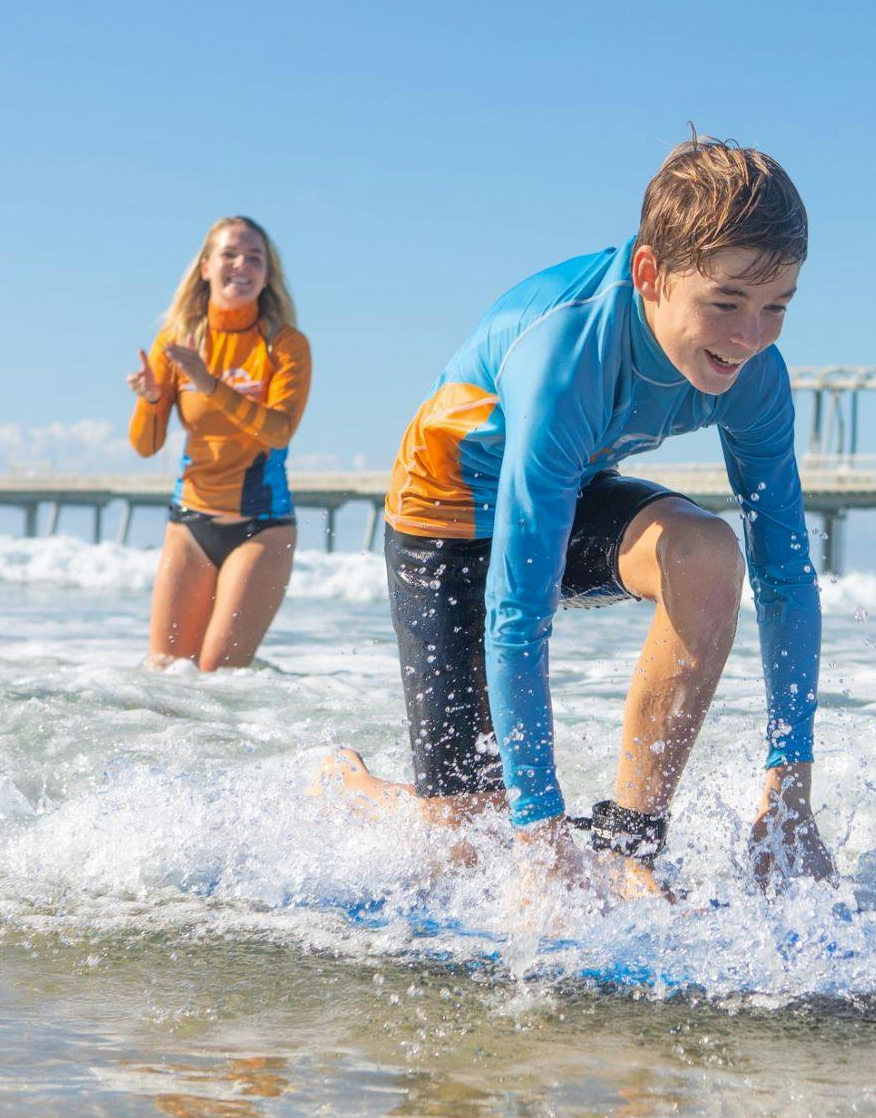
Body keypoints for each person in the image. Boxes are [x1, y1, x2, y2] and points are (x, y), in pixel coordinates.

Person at [317, 136, 831, 899]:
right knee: (470, 847)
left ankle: (632, 846)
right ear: (650, 275)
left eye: (776, 307)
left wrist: (790, 788)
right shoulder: (565, 356)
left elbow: (785, 576)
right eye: (725, 304)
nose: (749, 336)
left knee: (706, 555)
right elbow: (517, 610)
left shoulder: (755, 376)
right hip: (447, 513)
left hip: (568, 485)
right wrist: (540, 834)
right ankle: (344, 784)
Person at [127, 216, 312, 670]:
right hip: (189, 521)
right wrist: (152, 400)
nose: (241, 265)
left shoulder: (284, 345)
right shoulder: (177, 341)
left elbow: (278, 430)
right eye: (229, 254)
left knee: (219, 676)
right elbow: (146, 446)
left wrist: (210, 384)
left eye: (255, 258)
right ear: (206, 266)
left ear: (268, 275)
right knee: (165, 672)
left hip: (262, 525)